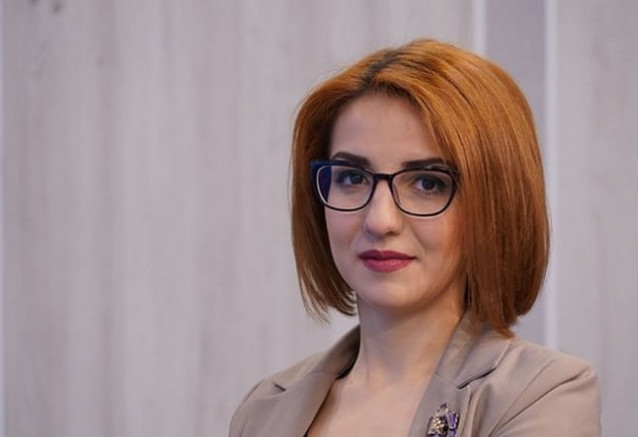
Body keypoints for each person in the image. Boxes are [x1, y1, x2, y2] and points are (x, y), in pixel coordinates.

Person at [230, 39, 600, 436]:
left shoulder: (542, 394)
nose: (380, 220)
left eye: (427, 183)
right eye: (352, 178)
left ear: (494, 204)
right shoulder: (264, 410)